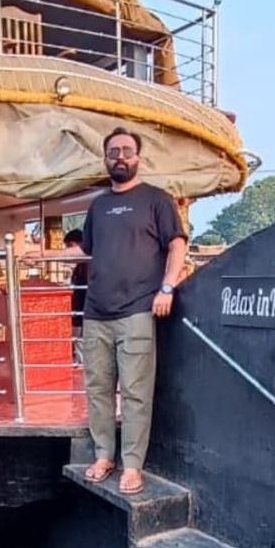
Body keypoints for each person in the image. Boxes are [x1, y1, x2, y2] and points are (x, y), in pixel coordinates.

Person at [80, 127, 188, 494]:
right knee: (97, 389)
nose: (121, 157)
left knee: (135, 392)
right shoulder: (98, 205)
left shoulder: (156, 199)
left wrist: (167, 287)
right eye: (113, 152)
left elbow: (177, 245)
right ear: (105, 159)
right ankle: (103, 456)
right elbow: (90, 250)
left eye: (127, 150)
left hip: (138, 310)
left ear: (138, 157)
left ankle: (132, 465)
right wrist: (40, 255)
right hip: (95, 312)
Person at [62, 227, 87, 365]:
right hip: (79, 311)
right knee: (79, 341)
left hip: (83, 311)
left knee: (81, 342)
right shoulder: (80, 267)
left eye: (70, 246)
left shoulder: (87, 266)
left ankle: (81, 365)